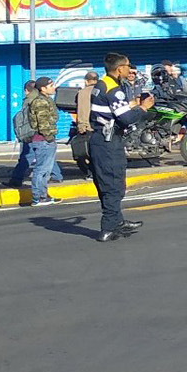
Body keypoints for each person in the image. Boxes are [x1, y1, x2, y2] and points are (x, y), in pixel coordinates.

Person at [77, 52, 154, 242]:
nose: (130, 70)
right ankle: (108, 228)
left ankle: (117, 221)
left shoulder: (101, 84)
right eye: (128, 66)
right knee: (114, 184)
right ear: (120, 69)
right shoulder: (114, 89)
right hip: (109, 142)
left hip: (100, 140)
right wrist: (143, 108)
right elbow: (126, 119)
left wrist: (130, 104)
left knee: (106, 182)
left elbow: (113, 110)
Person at [22, 76, 60, 206]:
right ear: (43, 89)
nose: (53, 87)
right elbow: (43, 124)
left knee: (46, 170)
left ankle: (44, 195)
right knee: (41, 170)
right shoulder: (40, 102)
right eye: (51, 86)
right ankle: (38, 197)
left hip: (46, 139)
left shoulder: (46, 100)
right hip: (43, 140)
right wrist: (49, 138)